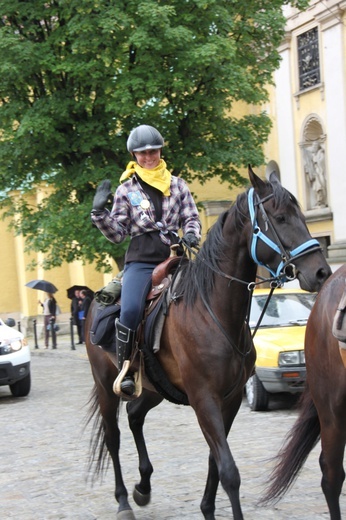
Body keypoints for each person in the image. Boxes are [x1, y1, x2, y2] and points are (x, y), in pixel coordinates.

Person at [91, 124, 201, 396]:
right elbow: (118, 234)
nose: (148, 156)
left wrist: (190, 235)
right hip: (141, 261)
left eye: (152, 151)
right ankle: (129, 368)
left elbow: (191, 217)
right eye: (142, 153)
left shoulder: (178, 185)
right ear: (134, 155)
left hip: (174, 257)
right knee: (129, 310)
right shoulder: (126, 190)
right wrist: (99, 214)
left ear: (160, 151)